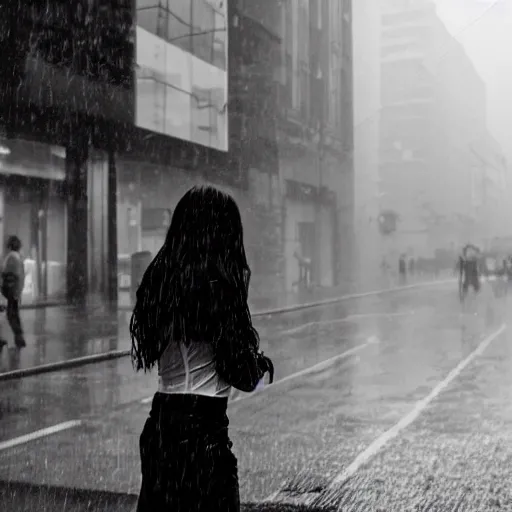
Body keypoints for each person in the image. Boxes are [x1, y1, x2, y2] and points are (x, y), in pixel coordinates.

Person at [130, 186, 274, 512]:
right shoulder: (219, 289)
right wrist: (258, 362)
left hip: (161, 426)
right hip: (204, 435)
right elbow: (243, 375)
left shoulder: (161, 279)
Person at [1, 235, 26, 348]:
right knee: (13, 314)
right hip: (14, 292)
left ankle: (19, 338)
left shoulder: (12, 257)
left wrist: (6, 289)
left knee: (12, 315)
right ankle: (19, 338)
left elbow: (10, 275)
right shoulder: (17, 257)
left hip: (11, 292)